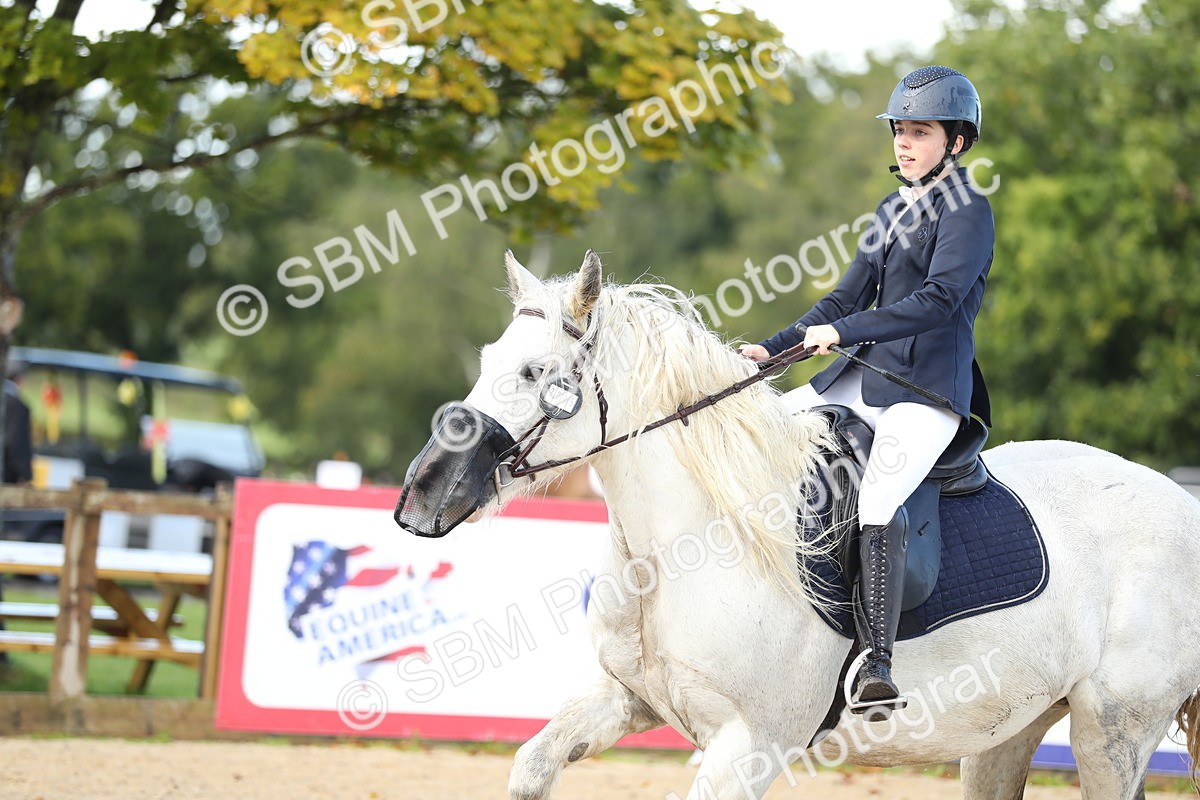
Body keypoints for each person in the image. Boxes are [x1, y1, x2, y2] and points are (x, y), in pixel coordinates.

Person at [739, 66, 995, 712]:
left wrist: (842, 330)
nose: (903, 144)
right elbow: (844, 297)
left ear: (956, 142)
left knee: (880, 494)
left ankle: (875, 665)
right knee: (768, 427)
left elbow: (938, 302)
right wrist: (770, 349)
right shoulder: (892, 207)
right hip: (864, 376)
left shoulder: (970, 211)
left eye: (918, 132)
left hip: (928, 390)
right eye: (899, 132)